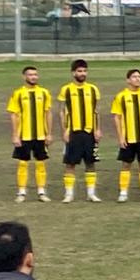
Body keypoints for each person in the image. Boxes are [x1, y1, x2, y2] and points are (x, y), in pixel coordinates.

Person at [56, 59, 102, 204]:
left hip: (89, 132)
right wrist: (64, 130)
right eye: (79, 71)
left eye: (84, 71)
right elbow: (62, 111)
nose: (82, 74)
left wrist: (97, 129)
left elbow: (96, 111)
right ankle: (69, 194)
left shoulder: (93, 89)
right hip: (73, 131)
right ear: (73, 73)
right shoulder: (66, 89)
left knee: (91, 163)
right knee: (70, 163)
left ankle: (91, 193)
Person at [7, 66, 52, 203]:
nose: (34, 77)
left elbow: (48, 114)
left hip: (40, 135)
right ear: (24, 77)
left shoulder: (44, 93)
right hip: (23, 135)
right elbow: (14, 115)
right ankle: (21, 192)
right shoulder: (18, 94)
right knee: (23, 163)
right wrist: (15, 135)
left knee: (41, 164)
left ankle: (41, 192)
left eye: (35, 75)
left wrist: (49, 133)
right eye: (30, 75)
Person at [111, 68, 140, 202]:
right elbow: (117, 117)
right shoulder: (121, 97)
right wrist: (120, 137)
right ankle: (123, 193)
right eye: (134, 77)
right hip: (128, 137)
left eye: (139, 77)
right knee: (126, 164)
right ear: (128, 80)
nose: (138, 79)